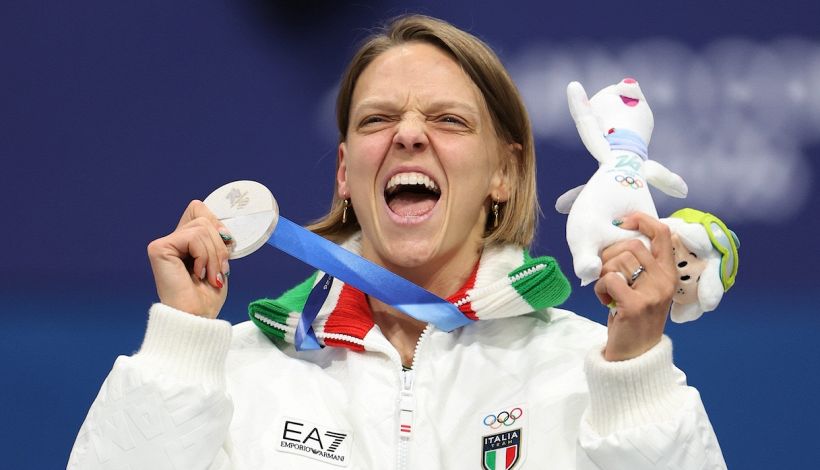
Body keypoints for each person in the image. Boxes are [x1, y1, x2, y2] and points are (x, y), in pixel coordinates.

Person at [68, 15, 726, 469]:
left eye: (448, 120)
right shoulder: (239, 372)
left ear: (504, 173)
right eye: (378, 119)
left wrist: (635, 375)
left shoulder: (585, 369)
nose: (408, 135)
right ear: (345, 174)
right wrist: (181, 346)